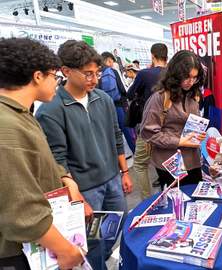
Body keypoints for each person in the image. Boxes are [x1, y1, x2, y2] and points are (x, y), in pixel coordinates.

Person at [36, 40, 133, 269]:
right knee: (93, 241)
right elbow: (57, 159)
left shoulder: (104, 99)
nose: (94, 79)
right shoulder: (51, 110)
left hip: (112, 179)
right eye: (88, 74)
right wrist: (76, 196)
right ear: (66, 71)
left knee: (119, 225)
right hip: (86, 189)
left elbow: (116, 135)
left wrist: (124, 172)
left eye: (97, 73)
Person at [0, 37, 87, 269]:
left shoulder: (19, 114)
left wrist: (65, 177)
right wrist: (66, 250)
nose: (57, 83)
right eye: (55, 76)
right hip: (18, 253)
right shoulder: (7, 126)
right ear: (38, 76)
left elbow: (39, 158)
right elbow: (21, 210)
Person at [141, 50, 206, 188]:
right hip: (170, 161)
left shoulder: (193, 95)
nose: (191, 82)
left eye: (195, 78)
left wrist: (198, 135)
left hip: (192, 161)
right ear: (176, 74)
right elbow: (149, 133)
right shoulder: (160, 98)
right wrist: (180, 141)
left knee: (194, 199)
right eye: (187, 77)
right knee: (176, 202)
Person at [127, 43, 168, 198]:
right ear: (166, 56)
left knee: (140, 164)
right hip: (170, 128)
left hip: (149, 128)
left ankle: (147, 200)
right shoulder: (174, 74)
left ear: (152, 56)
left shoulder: (144, 74)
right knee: (168, 164)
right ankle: (169, 197)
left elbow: (130, 94)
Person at [99, 51, 136, 153]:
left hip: (105, 107)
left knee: (114, 135)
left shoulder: (97, 72)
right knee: (129, 132)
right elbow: (122, 88)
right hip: (119, 106)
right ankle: (136, 154)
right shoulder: (112, 71)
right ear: (109, 60)